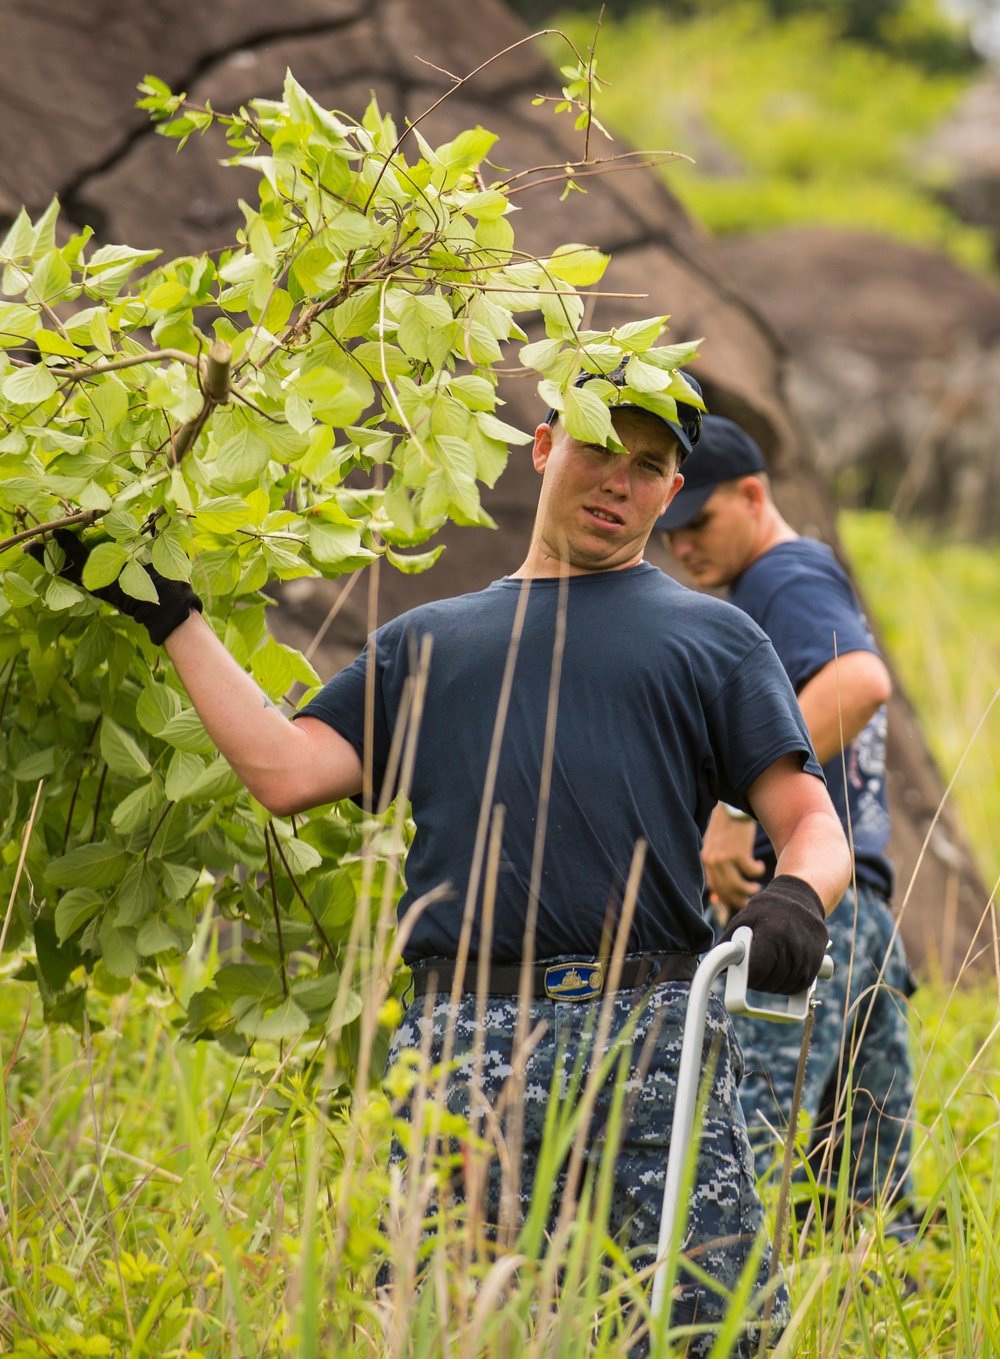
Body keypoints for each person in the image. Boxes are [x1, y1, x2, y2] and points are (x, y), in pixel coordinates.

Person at [32, 376, 851, 1355]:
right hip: (467, 1039)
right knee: (451, 1330)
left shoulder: (714, 638)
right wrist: (168, 615)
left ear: (671, 494)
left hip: (656, 1039)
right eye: (600, 448)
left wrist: (798, 897)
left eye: (647, 468)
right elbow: (287, 770)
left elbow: (810, 820)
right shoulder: (429, 643)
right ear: (544, 447)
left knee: (712, 1333)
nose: (617, 482)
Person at [659, 414, 916, 1228]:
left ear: (753, 494)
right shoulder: (791, 580)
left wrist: (736, 807)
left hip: (795, 913)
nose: (682, 546)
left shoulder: (784, 576)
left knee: (740, 1151)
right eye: (670, 529)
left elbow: (861, 680)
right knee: (864, 1197)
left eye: (699, 521)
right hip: (860, 910)